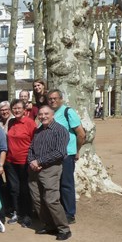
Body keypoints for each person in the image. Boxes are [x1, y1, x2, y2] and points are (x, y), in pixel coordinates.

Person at [28, 105, 71, 240]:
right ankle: (49, 225)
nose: (43, 116)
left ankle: (64, 228)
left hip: (51, 169)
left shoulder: (60, 130)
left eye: (46, 114)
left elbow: (59, 152)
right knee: (37, 199)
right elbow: (31, 149)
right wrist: (32, 161)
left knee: (51, 200)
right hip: (34, 169)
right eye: (40, 114)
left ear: (52, 115)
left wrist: (39, 161)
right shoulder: (38, 131)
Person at [47, 89, 85, 224]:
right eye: (50, 98)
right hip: (51, 156)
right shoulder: (48, 113)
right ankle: (59, 211)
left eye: (55, 98)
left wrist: (76, 150)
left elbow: (81, 134)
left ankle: (70, 213)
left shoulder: (68, 112)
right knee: (54, 184)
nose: (52, 101)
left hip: (66, 154)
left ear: (61, 98)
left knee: (66, 184)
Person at [5, 99, 37, 227]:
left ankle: (27, 214)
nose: (16, 110)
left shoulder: (30, 123)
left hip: (24, 161)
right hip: (10, 161)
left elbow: (35, 142)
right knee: (14, 189)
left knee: (25, 189)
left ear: (24, 110)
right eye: (14, 108)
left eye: (19, 108)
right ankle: (16, 212)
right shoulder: (11, 122)